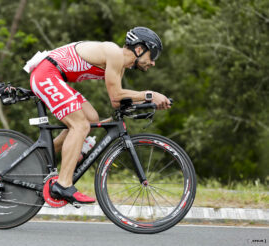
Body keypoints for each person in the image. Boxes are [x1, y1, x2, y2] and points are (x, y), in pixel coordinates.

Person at [28, 26, 171, 204]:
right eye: (153, 55)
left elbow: (116, 102)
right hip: (46, 74)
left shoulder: (120, 67)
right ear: (140, 49)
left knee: (91, 119)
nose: (154, 62)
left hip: (53, 76)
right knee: (80, 126)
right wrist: (149, 94)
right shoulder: (115, 53)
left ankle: (39, 158)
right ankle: (63, 184)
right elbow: (117, 95)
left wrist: (149, 103)